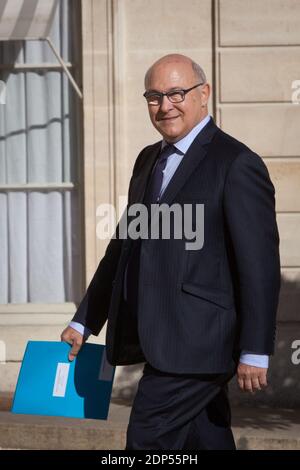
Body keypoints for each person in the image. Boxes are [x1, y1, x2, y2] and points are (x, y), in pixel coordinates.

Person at [61, 54, 281, 450]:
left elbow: (260, 266)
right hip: (164, 340)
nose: (165, 106)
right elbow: (123, 248)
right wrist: (85, 321)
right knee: (207, 440)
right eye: (154, 96)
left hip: (200, 345)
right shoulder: (149, 159)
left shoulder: (237, 163)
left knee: (146, 441)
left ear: (204, 94)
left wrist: (255, 348)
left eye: (177, 93)